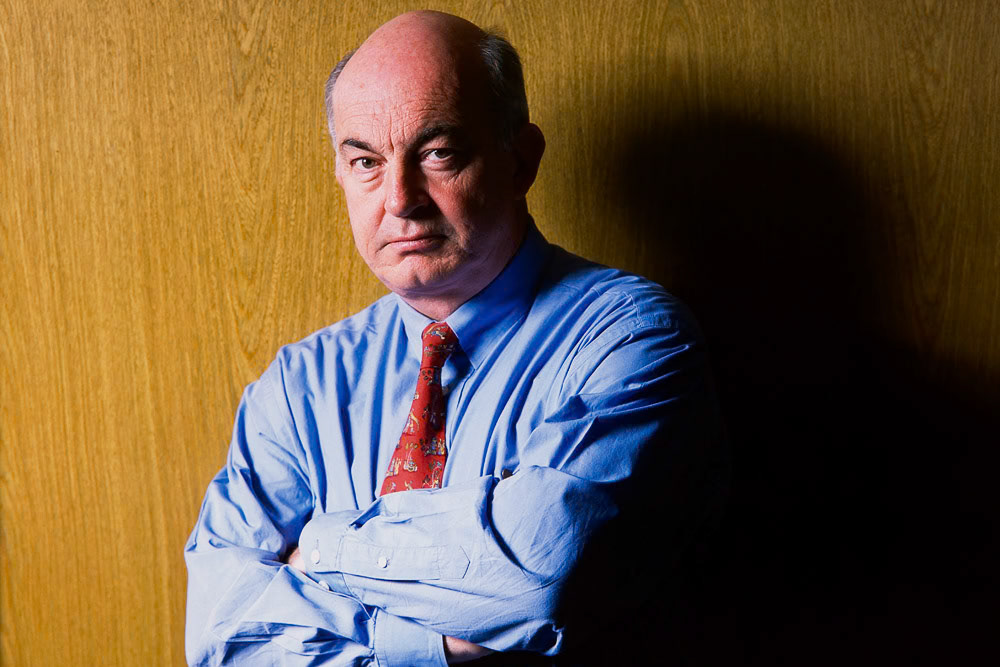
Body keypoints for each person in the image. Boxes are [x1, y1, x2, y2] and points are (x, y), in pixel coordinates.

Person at [185, 10, 727, 666]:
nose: (400, 199)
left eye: (437, 153)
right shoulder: (301, 384)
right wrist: (441, 638)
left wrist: (319, 551)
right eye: (366, 161)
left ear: (520, 159)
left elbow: (538, 576)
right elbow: (221, 635)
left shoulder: (633, 340)